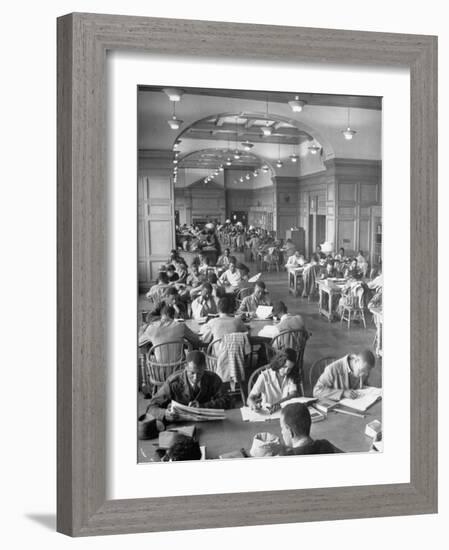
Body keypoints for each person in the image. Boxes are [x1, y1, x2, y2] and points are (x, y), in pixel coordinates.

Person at [145, 350, 230, 422]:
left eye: (199, 373)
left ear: (205, 367)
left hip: (207, 423)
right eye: (192, 373)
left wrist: (203, 406)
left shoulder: (213, 378)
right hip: (180, 424)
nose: (195, 378)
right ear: (185, 367)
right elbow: (151, 408)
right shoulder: (173, 382)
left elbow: (227, 400)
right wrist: (164, 413)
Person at [274, 403, 341, 455]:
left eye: (282, 428)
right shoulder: (326, 445)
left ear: (290, 431)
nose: (281, 432)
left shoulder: (287, 456)